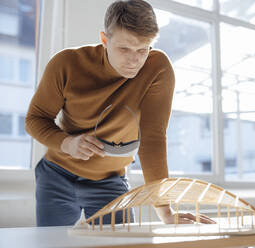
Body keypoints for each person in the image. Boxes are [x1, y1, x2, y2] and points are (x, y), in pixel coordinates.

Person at [25, 0, 214, 227]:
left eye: (143, 50)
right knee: (51, 243)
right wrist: (67, 143)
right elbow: (35, 119)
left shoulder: (158, 69)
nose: (134, 60)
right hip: (56, 176)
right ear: (105, 39)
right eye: (124, 49)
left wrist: (165, 212)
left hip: (110, 183)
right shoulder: (66, 63)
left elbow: (152, 139)